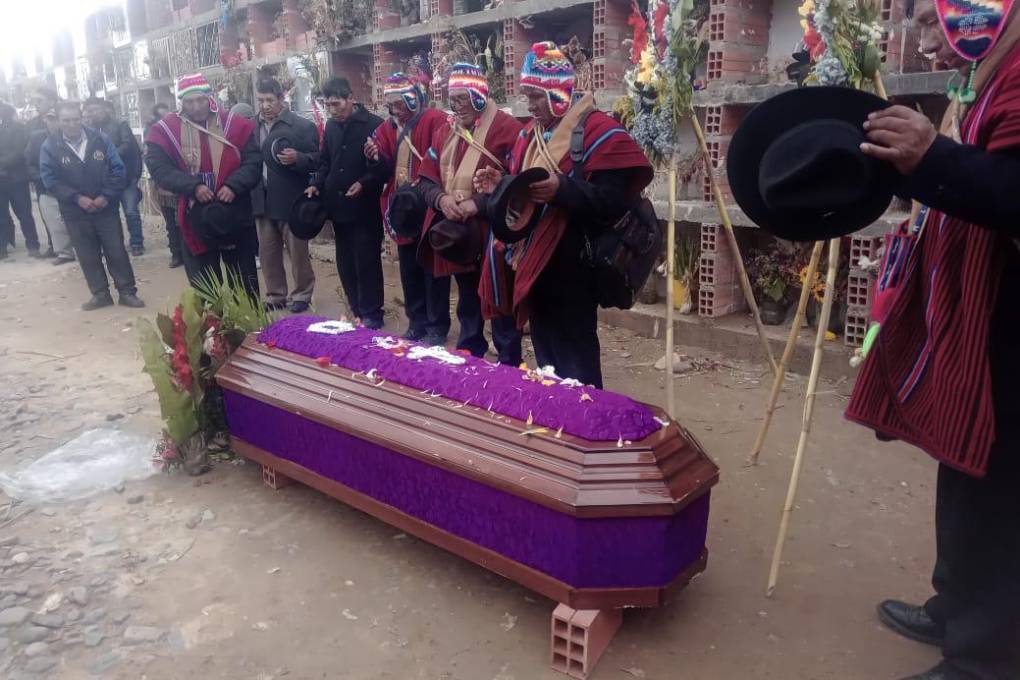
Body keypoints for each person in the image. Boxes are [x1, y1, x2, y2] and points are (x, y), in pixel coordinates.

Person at [845, 0, 1020, 678]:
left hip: (1009, 321)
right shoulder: (984, 79)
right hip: (978, 312)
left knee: (999, 487)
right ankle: (956, 605)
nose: (918, 31)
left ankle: (983, 657)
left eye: (925, 14)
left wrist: (933, 157)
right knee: (964, 464)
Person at [476, 42, 652, 387]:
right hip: (533, 265)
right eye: (527, 95)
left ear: (559, 91)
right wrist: (501, 184)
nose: (530, 105)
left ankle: (587, 428)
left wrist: (564, 190)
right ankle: (553, 428)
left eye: (537, 96)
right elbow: (522, 191)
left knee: (577, 361)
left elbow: (615, 201)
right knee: (547, 362)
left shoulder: (601, 133)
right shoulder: (529, 135)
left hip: (575, 270)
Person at [415, 63, 523, 365]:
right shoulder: (444, 131)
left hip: (494, 237)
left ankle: (509, 365)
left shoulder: (508, 129)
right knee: (467, 301)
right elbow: (426, 179)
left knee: (500, 301)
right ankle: (470, 357)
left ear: (479, 97)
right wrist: (441, 199)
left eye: (462, 98)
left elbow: (520, 188)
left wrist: (479, 204)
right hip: (459, 237)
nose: (455, 106)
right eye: (452, 98)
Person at [145, 73, 261, 298]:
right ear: (181, 102)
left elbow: (254, 162)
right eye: (189, 102)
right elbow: (158, 168)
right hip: (193, 214)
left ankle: (250, 328)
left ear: (210, 97)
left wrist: (234, 185)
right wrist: (193, 187)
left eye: (200, 100)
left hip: (234, 212)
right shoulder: (166, 130)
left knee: (244, 281)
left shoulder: (234, 125)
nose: (196, 107)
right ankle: (214, 330)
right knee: (206, 286)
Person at [364, 72, 451, 344]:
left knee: (433, 268)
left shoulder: (434, 120)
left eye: (400, 104)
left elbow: (444, 155)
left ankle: (437, 326)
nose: (395, 110)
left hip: (427, 206)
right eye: (391, 105)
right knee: (409, 269)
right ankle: (417, 321)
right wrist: (375, 158)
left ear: (414, 100)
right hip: (402, 207)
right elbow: (384, 168)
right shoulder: (387, 128)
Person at [39, 101, 143, 310]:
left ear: (82, 117)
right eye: (66, 120)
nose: (71, 124)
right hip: (75, 211)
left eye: (75, 119)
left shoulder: (100, 139)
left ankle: (127, 292)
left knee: (116, 251)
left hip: (105, 208)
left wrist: (106, 196)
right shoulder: (50, 146)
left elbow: (118, 169)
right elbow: (50, 180)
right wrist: (77, 198)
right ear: (59, 121)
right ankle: (100, 294)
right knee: (87, 254)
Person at [307, 77, 385, 328]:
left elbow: (384, 167)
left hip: (364, 206)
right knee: (346, 261)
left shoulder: (374, 125)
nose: (333, 110)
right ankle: (356, 309)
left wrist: (364, 182)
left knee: (367, 260)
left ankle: (373, 312)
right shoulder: (331, 126)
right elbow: (325, 161)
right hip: (337, 207)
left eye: (337, 103)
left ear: (351, 98)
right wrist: (316, 184)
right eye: (328, 105)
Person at [252, 76, 318, 313]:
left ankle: (302, 293)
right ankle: (275, 294)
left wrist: (298, 158)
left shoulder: (302, 127)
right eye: (260, 100)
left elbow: (318, 160)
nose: (265, 105)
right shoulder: (251, 127)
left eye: (270, 100)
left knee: (297, 250)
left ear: (281, 98)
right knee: (267, 251)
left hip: (291, 199)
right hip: (262, 197)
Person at [85, 97, 145, 256]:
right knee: (109, 215)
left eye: (96, 110)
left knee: (131, 211)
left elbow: (129, 146)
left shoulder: (120, 125)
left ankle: (137, 242)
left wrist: (108, 156)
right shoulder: (87, 131)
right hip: (104, 181)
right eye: (90, 111)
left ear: (105, 109)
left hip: (125, 177)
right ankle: (114, 244)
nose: (94, 114)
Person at [26, 106, 75, 265]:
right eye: (50, 118)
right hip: (46, 188)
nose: (53, 122)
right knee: (54, 224)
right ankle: (64, 253)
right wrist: (42, 179)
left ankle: (84, 250)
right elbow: (29, 163)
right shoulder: (36, 138)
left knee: (76, 221)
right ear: (44, 120)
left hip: (72, 187)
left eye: (56, 118)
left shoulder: (74, 136)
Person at [0, 101, 42, 260]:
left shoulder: (18, 128)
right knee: (0, 215)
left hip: (16, 178)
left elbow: (19, 151)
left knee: (24, 213)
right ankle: (2, 247)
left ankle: (33, 245)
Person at [144, 103, 183, 268]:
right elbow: (151, 160)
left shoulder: (180, 130)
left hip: (182, 185)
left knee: (184, 222)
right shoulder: (153, 135)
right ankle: (176, 254)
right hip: (164, 186)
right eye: (163, 117)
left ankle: (188, 254)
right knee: (171, 224)